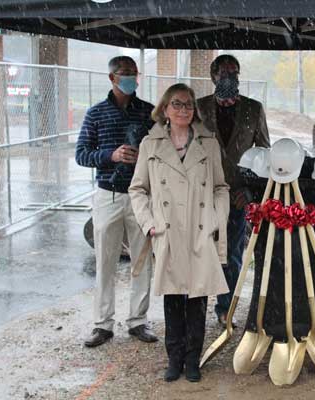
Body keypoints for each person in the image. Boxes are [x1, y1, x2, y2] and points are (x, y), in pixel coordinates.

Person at [129, 83, 230, 382]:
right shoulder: (150, 144)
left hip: (199, 229)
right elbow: (137, 189)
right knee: (173, 298)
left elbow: (221, 188)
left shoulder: (208, 143)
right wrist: (149, 223)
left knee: (197, 298)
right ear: (164, 109)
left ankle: (193, 359)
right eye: (177, 104)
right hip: (168, 231)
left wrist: (214, 217)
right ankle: (174, 358)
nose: (183, 109)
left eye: (188, 104)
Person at [75, 56, 158, 348]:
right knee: (106, 262)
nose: (131, 79)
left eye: (134, 74)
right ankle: (103, 324)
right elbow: (82, 154)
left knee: (142, 261)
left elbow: (159, 150)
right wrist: (109, 155)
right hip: (107, 194)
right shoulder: (95, 114)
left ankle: (138, 321)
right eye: (124, 74)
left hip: (141, 196)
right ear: (111, 78)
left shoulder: (148, 112)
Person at [196, 54, 270, 327]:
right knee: (202, 250)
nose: (230, 78)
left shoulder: (253, 109)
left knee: (233, 254)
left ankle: (226, 307)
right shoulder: (198, 108)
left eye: (234, 73)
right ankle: (197, 305)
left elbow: (264, 154)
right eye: (224, 73)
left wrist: (251, 192)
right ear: (213, 76)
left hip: (239, 196)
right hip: (203, 195)